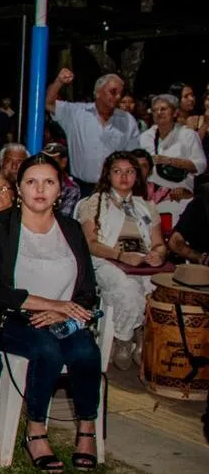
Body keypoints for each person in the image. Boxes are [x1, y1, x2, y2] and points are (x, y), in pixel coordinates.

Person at [0, 153, 102, 472]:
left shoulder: (71, 229)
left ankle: (87, 428)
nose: (40, 190)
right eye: (31, 182)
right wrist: (52, 304)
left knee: (86, 352)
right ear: (18, 189)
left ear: (61, 189)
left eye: (49, 182)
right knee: (46, 350)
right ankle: (35, 430)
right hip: (13, 318)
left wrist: (64, 313)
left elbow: (88, 289)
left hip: (63, 321)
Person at [76, 151, 167, 370]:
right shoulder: (94, 203)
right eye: (117, 171)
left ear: (137, 175)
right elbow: (90, 243)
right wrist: (121, 256)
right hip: (106, 258)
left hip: (142, 261)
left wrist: (158, 254)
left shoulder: (146, 205)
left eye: (129, 172)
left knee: (156, 289)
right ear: (108, 175)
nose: (124, 177)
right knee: (128, 289)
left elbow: (159, 243)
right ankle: (124, 338)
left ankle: (143, 335)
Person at [46, 68, 140, 192]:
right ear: (98, 92)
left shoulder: (127, 120)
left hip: (114, 189)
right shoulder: (76, 113)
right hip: (81, 188)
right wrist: (59, 82)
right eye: (113, 92)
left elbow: (133, 156)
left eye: (120, 93)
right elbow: (48, 103)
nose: (117, 97)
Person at [139, 93, 205, 208]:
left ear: (175, 113)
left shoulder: (188, 135)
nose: (159, 113)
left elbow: (200, 166)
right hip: (148, 196)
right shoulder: (145, 137)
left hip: (178, 195)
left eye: (163, 109)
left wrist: (169, 161)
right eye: (155, 110)